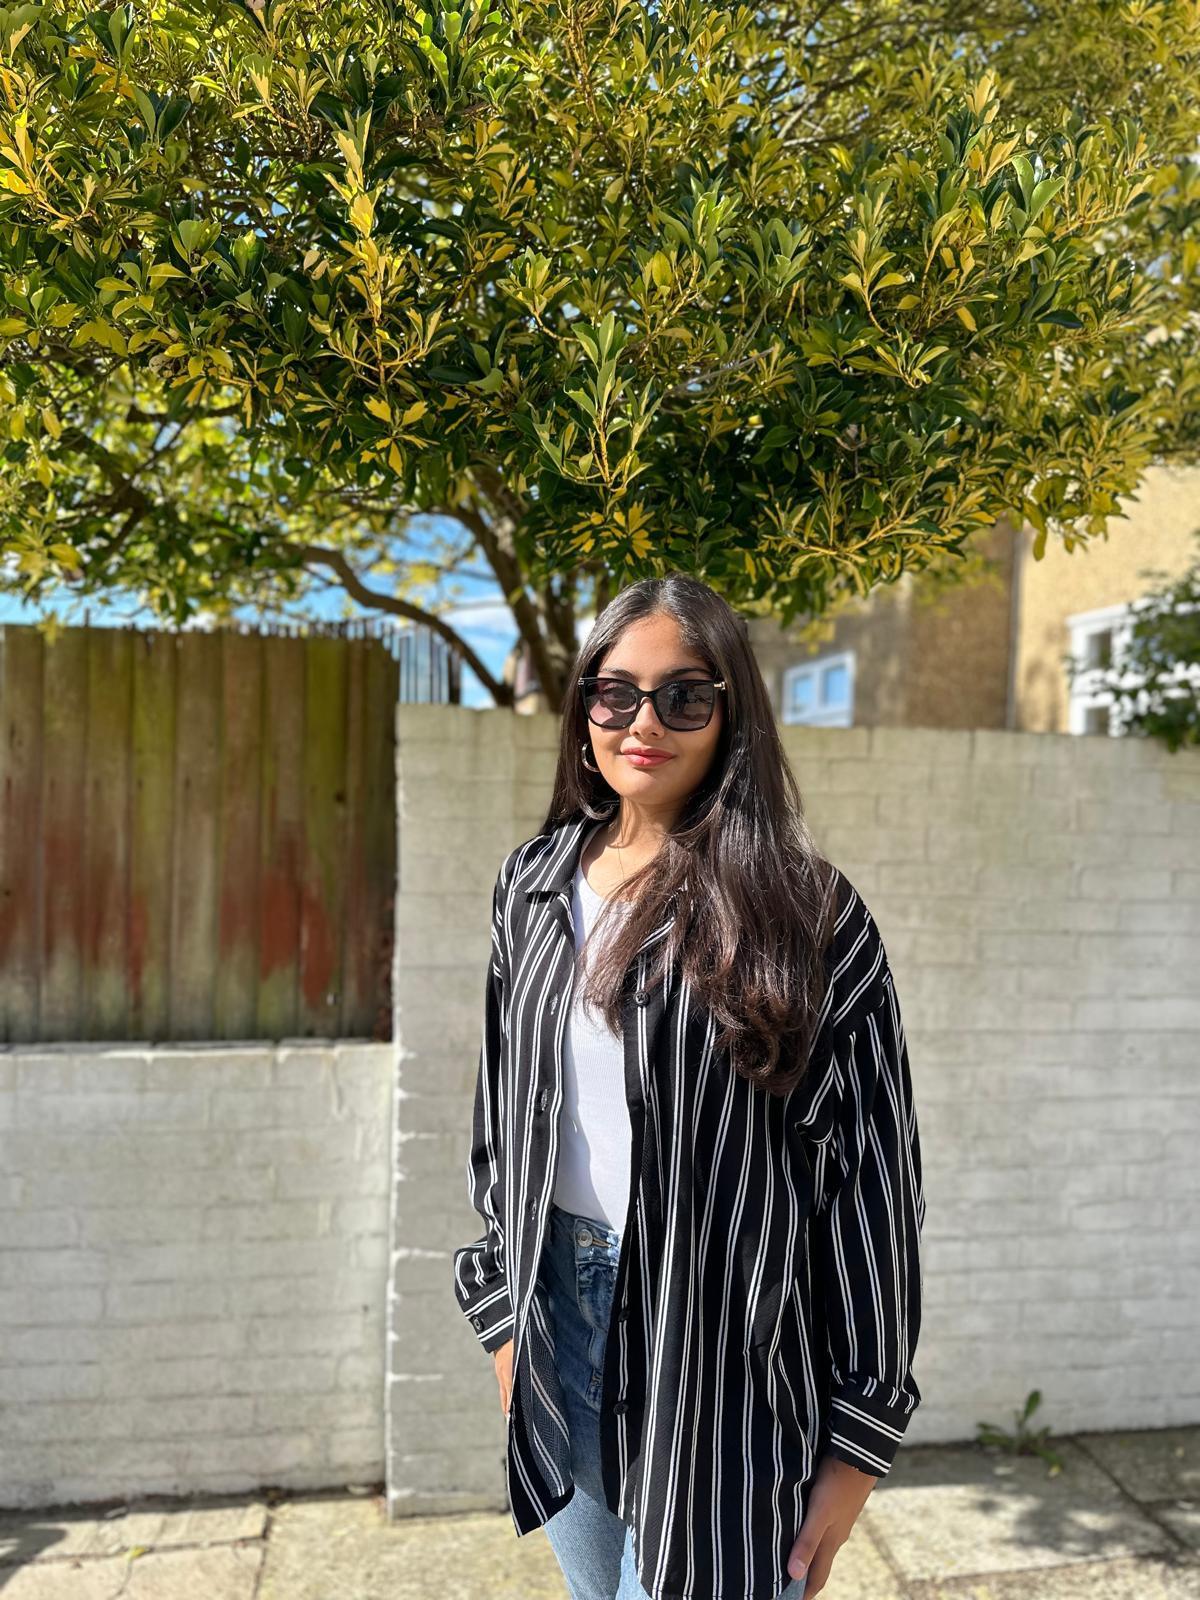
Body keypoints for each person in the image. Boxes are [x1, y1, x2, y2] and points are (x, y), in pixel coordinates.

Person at [452, 574, 926, 1600]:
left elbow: (872, 1188)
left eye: (684, 696)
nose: (644, 722)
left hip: (725, 1374)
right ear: (583, 709)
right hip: (555, 1335)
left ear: (730, 712)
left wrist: (860, 1440)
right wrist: (502, 1316)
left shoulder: (808, 913)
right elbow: (501, 1112)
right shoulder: (530, 887)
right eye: (614, 692)